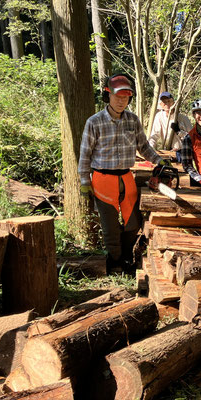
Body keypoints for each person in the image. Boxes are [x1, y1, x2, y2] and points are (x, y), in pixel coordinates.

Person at [78, 73, 165, 274]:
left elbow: (144, 147)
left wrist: (159, 161)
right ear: (108, 95)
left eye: (125, 98)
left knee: (131, 223)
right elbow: (85, 153)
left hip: (126, 177)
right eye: (118, 97)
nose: (121, 101)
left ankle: (127, 258)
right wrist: (84, 180)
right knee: (110, 227)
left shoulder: (132, 120)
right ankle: (115, 261)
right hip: (102, 178)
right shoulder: (95, 122)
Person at [148, 91, 193, 162]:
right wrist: (149, 149)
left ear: (174, 103)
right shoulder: (159, 117)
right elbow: (154, 135)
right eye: (164, 102)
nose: (167, 104)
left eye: (169, 101)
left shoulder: (183, 118)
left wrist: (179, 131)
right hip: (167, 152)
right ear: (161, 105)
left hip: (183, 153)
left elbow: (192, 139)